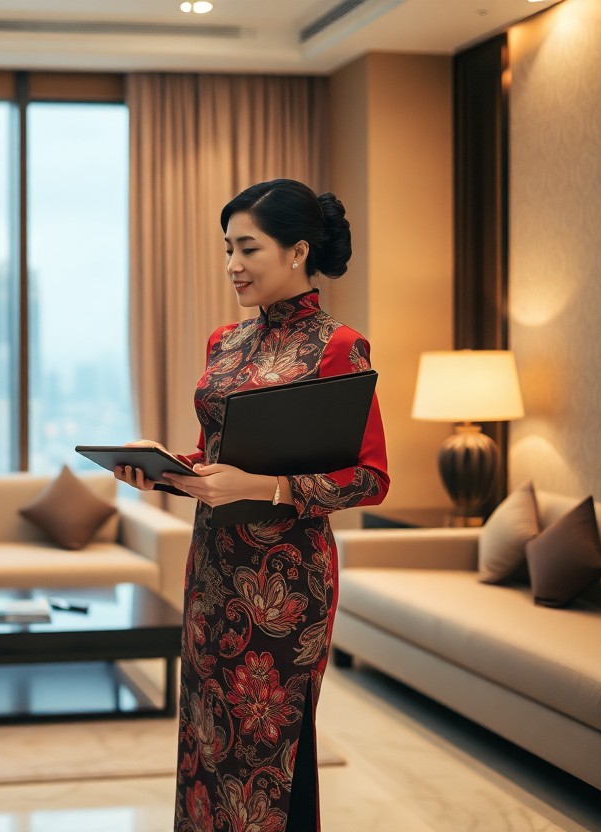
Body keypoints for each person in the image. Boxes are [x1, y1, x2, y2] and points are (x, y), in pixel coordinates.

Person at [115, 179, 389, 832]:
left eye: (248, 248)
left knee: (269, 751)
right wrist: (163, 470)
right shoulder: (225, 342)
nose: (233, 265)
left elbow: (370, 478)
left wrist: (267, 489)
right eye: (227, 249)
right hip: (212, 571)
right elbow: (220, 459)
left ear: (298, 252)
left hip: (286, 588)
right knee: (206, 741)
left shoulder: (338, 347)